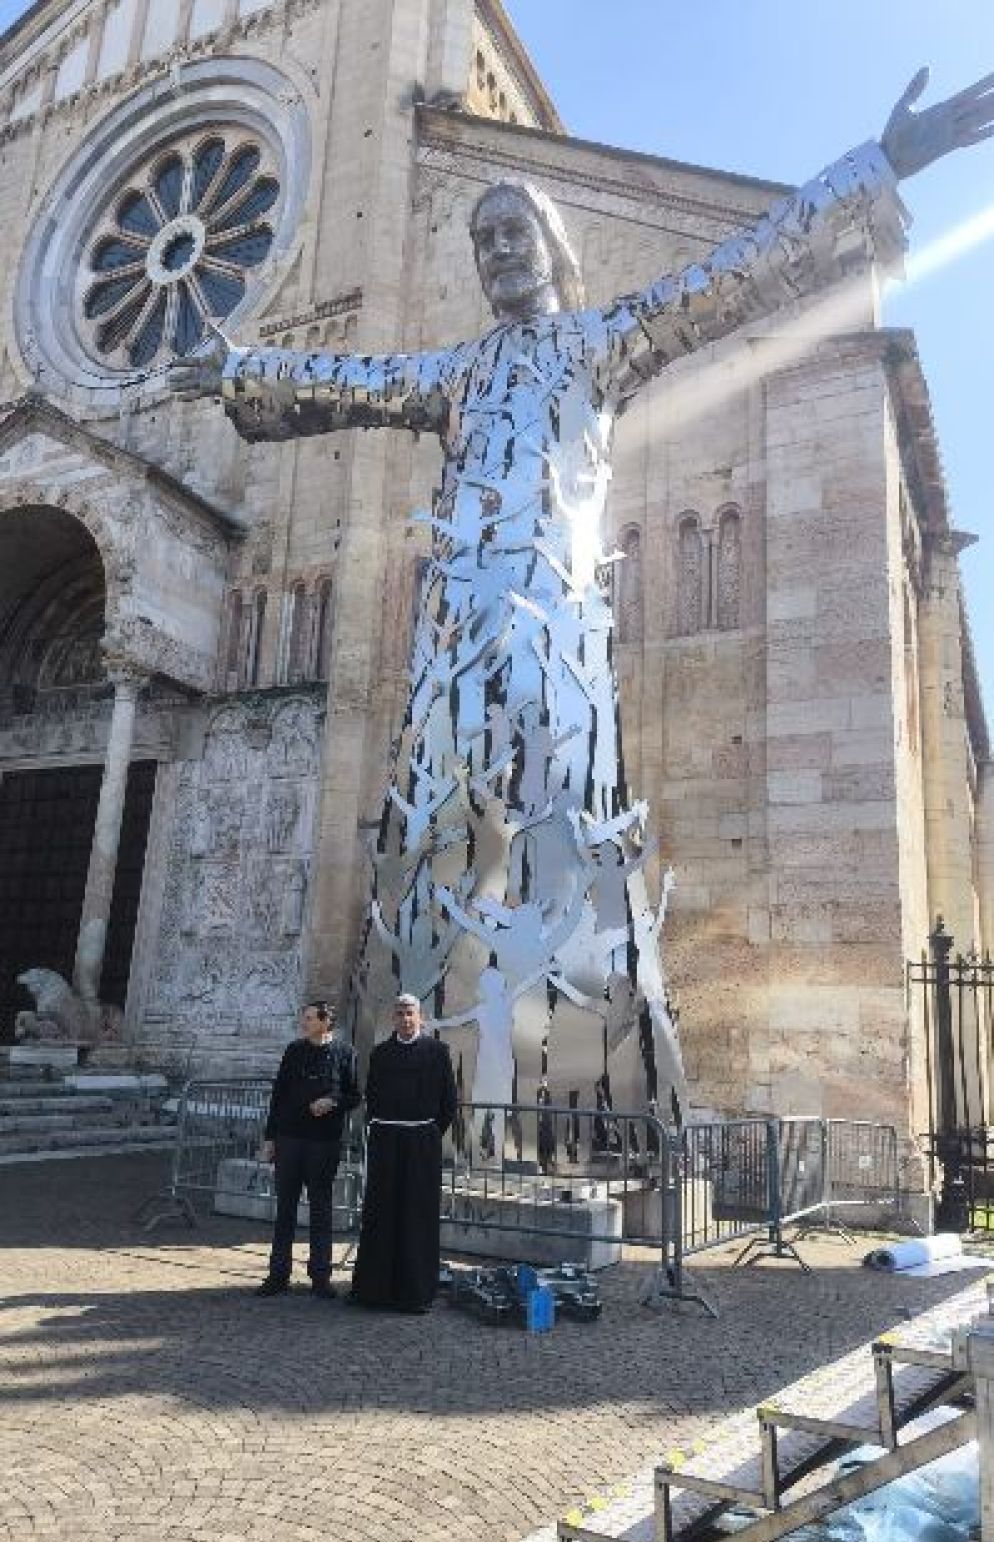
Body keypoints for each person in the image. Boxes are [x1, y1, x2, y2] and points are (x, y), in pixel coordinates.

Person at [170, 69, 994, 1126]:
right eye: (484, 240)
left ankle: (580, 1110)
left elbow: (735, 274)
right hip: (455, 653)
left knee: (566, 855)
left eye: (515, 231)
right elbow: (345, 383)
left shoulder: (599, 344)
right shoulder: (455, 375)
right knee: (434, 849)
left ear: (552, 248)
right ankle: (418, 1101)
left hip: (556, 645)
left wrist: (879, 164)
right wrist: (243, 368)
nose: (500, 250)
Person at [350, 994, 457, 1313]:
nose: (405, 1019)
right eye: (399, 1013)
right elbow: (372, 1094)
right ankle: (374, 1289)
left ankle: (415, 1293)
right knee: (381, 1212)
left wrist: (427, 1133)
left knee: (417, 1214)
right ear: (393, 1018)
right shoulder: (381, 1053)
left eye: (410, 1013)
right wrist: (380, 1128)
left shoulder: (438, 1052)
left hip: (421, 1141)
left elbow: (448, 1102)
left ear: (419, 1017)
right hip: (386, 1140)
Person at [256, 1000, 360, 1298]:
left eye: (310, 1018)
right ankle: (278, 1273)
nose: (304, 1022)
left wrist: (333, 1102)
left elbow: (354, 1095)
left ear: (326, 1022)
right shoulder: (294, 1051)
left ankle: (321, 1276)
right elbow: (278, 1094)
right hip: (290, 1138)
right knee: (285, 1207)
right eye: (304, 1017)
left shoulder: (345, 1053)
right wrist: (270, 1137)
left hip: (323, 1141)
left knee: (320, 1208)